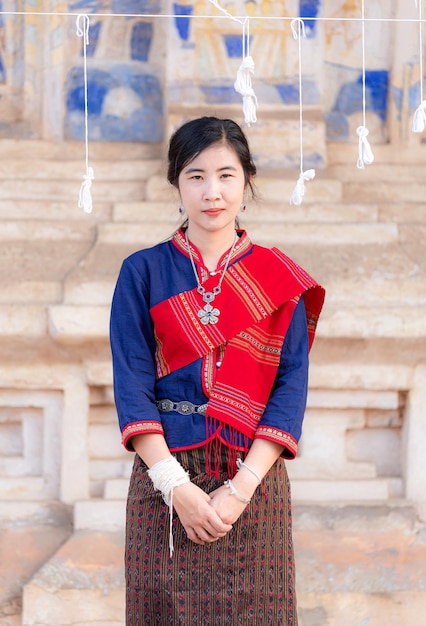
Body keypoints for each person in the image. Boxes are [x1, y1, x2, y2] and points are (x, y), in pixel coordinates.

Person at [110, 116, 325, 625]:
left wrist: (241, 488)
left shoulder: (277, 276)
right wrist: (176, 487)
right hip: (163, 480)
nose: (212, 192)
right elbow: (132, 384)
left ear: (247, 182)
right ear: (175, 183)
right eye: (195, 175)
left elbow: (290, 386)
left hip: (254, 480)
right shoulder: (143, 271)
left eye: (226, 175)